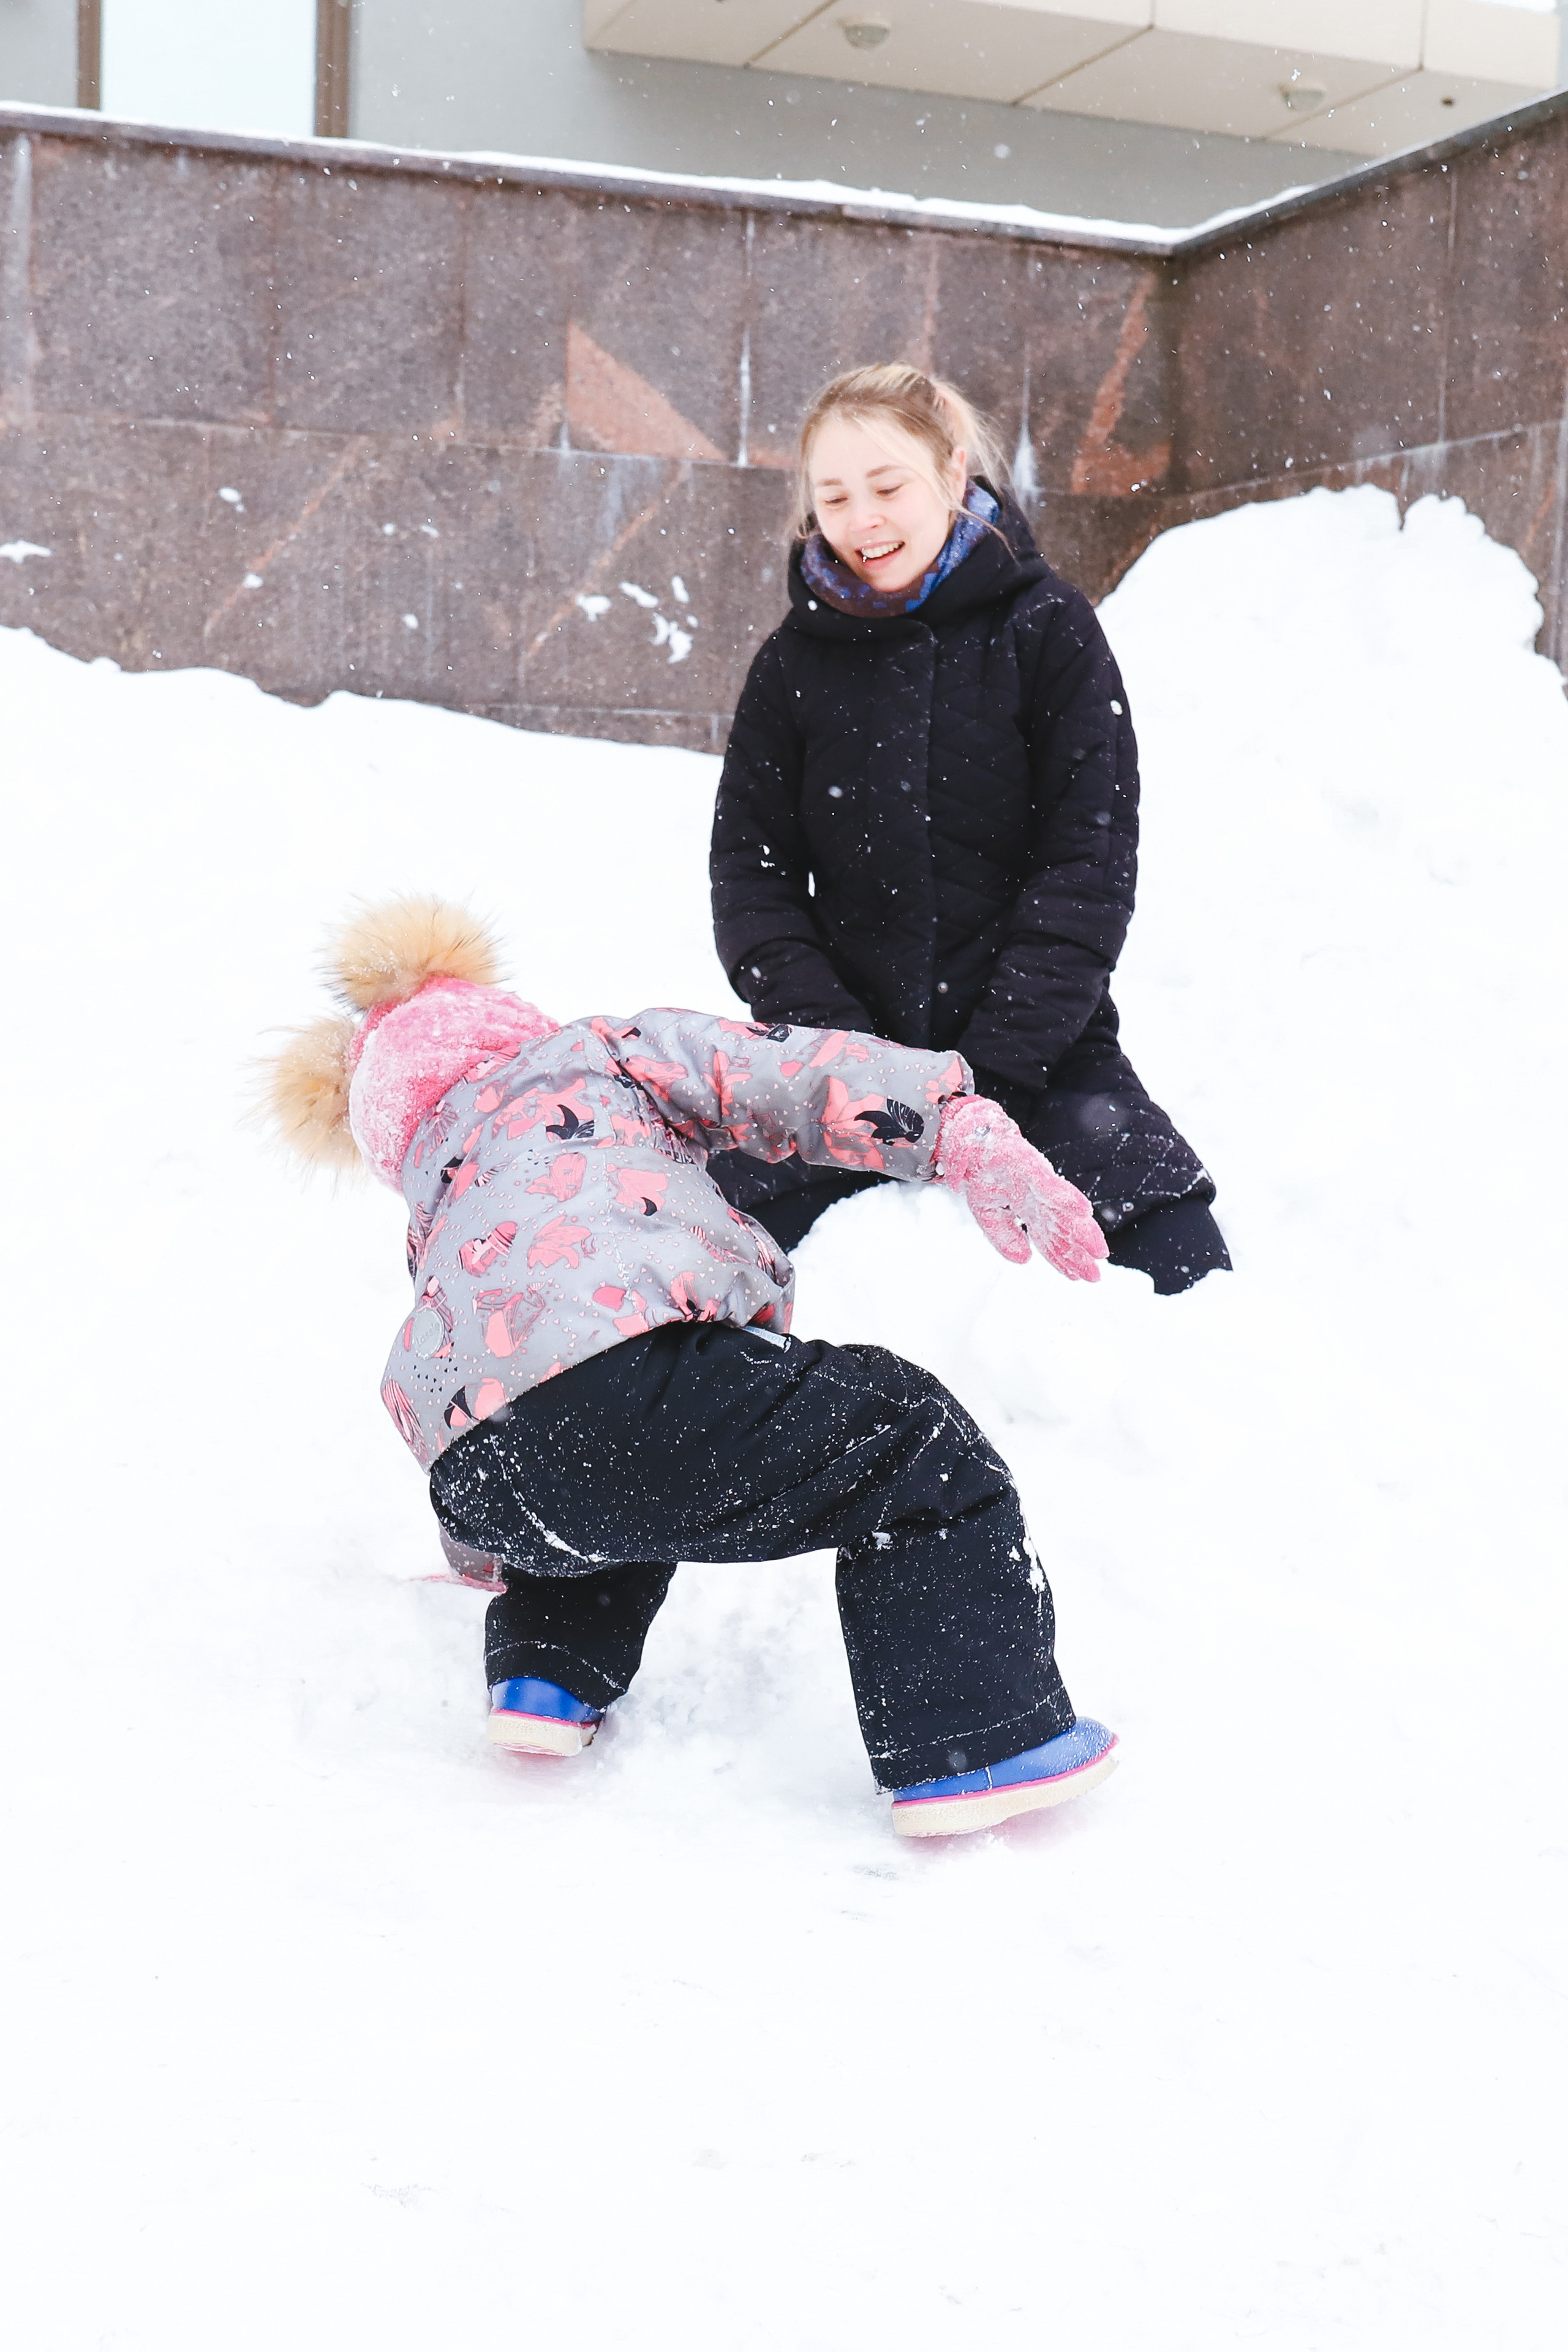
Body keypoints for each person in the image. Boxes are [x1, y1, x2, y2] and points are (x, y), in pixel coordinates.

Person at [265, 893, 1120, 1838]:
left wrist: (488, 1554)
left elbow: (470, 1381)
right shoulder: (593, 1054)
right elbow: (775, 1072)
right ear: (499, 1018)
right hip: (634, 1385)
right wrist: (953, 1128)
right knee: (910, 1442)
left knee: (592, 1461)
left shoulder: (440, 1192)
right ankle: (981, 1743)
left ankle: (544, 1672)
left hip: (478, 1478)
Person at [710, 362, 1229, 1292]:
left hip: (1043, 1058)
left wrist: (986, 1081)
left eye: (887, 486)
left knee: (1183, 1274)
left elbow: (1088, 868)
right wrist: (852, 1065)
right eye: (834, 496)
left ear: (952, 475)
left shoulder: (1050, 631)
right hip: (839, 1070)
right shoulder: (791, 665)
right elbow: (753, 882)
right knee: (692, 1266)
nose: (862, 519)